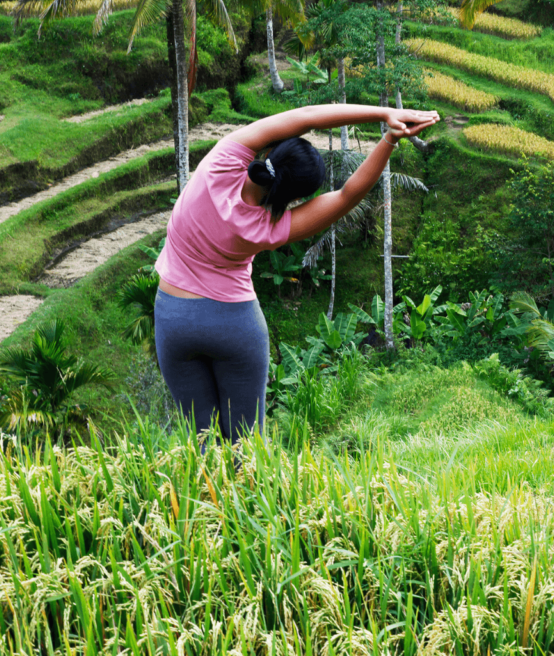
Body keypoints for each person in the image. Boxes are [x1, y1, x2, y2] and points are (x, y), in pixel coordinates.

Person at [154, 105, 440, 444]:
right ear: (297, 196)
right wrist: (390, 139)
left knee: (201, 443)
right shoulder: (268, 228)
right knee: (246, 447)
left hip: (172, 319)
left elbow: (306, 117)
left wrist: (385, 113)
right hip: (234, 324)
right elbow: (348, 195)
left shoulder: (222, 161)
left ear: (273, 151)